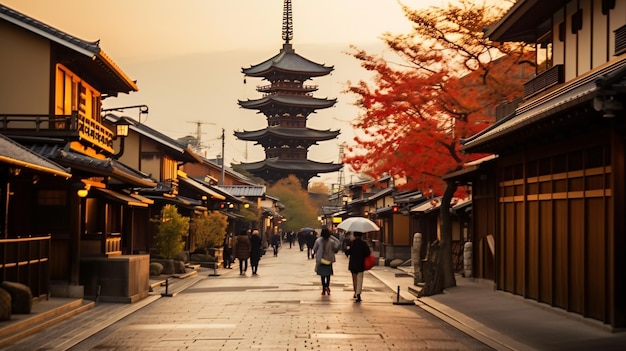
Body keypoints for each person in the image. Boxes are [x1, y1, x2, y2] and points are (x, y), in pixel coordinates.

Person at [312, 227, 340, 295]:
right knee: (328, 275)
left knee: (322, 275)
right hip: (329, 260)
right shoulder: (331, 241)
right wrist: (332, 236)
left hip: (321, 260)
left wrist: (314, 253)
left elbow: (314, 249)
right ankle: (327, 286)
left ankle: (323, 289)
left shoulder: (318, 240)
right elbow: (337, 244)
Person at [345, 231, 371, 303]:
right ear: (361, 236)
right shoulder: (364, 244)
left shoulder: (351, 243)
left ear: (354, 235)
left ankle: (355, 291)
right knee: (360, 279)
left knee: (354, 279)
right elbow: (368, 253)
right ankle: (358, 293)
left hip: (353, 263)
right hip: (361, 263)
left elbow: (347, 252)